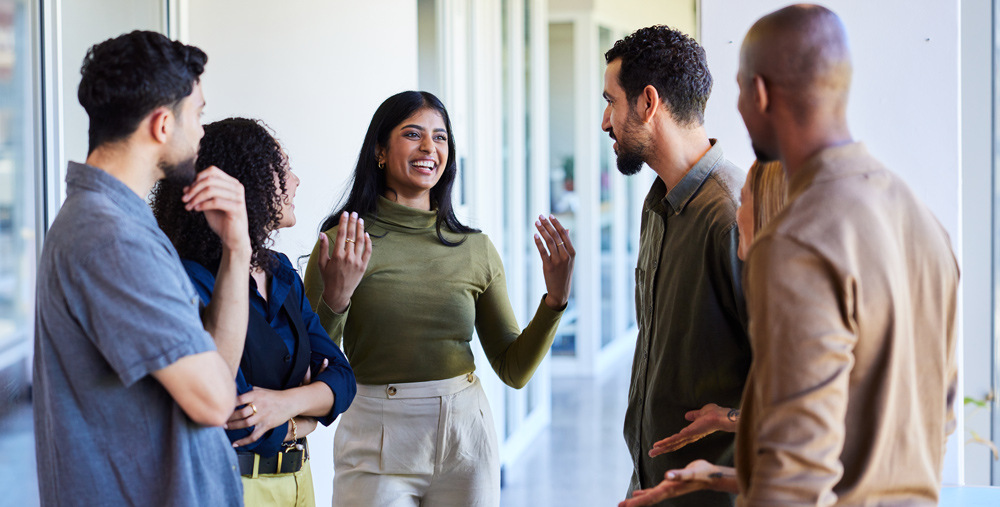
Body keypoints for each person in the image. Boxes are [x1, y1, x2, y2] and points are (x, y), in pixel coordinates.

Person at [633, 5, 960, 506]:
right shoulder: (921, 221)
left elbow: (792, 476)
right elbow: (934, 417)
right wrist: (723, 475)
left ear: (759, 93)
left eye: (739, 91)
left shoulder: (795, 240)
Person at [302, 90, 575, 507]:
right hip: (375, 435)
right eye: (413, 134)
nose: (430, 148)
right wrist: (336, 300)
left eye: (441, 137)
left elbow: (513, 368)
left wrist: (554, 300)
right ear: (379, 150)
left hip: (467, 436)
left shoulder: (474, 248)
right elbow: (310, 368)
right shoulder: (344, 243)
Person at [33, 31, 247, 506]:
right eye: (198, 114)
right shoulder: (111, 239)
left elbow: (218, 367)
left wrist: (237, 247)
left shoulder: (121, 223)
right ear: (162, 125)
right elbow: (215, 401)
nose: (203, 131)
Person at [150, 118, 358, 506]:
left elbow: (345, 380)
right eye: (283, 168)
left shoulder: (280, 271)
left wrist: (285, 405)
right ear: (244, 183)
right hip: (236, 486)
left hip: (300, 482)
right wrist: (313, 402)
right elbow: (237, 421)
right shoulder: (190, 281)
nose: (295, 180)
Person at [602, 26, 751, 507]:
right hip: (653, 483)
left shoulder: (733, 214)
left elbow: (806, 383)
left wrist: (731, 419)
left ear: (648, 103)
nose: (606, 121)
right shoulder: (658, 204)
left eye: (611, 102)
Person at [620, 160, 787, 507]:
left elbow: (805, 439)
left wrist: (729, 425)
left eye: (745, 201)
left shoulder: (723, 213)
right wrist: (708, 471)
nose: (736, 215)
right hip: (663, 483)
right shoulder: (656, 205)